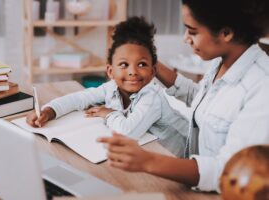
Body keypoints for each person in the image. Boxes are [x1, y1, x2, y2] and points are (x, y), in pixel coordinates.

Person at [98, 0, 269, 192]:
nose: (185, 38)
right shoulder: (223, 62)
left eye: (192, 31)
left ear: (226, 33)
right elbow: (205, 100)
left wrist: (148, 161)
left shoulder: (262, 87)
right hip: (190, 183)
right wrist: (147, 62)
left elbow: (230, 172)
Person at [26, 17, 188, 156]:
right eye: (124, 64)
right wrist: (50, 111)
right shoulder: (112, 88)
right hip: (148, 150)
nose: (132, 72)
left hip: (179, 158)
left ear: (153, 71)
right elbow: (80, 98)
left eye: (142, 64)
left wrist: (108, 113)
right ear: (111, 71)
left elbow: (128, 132)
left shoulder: (152, 96)